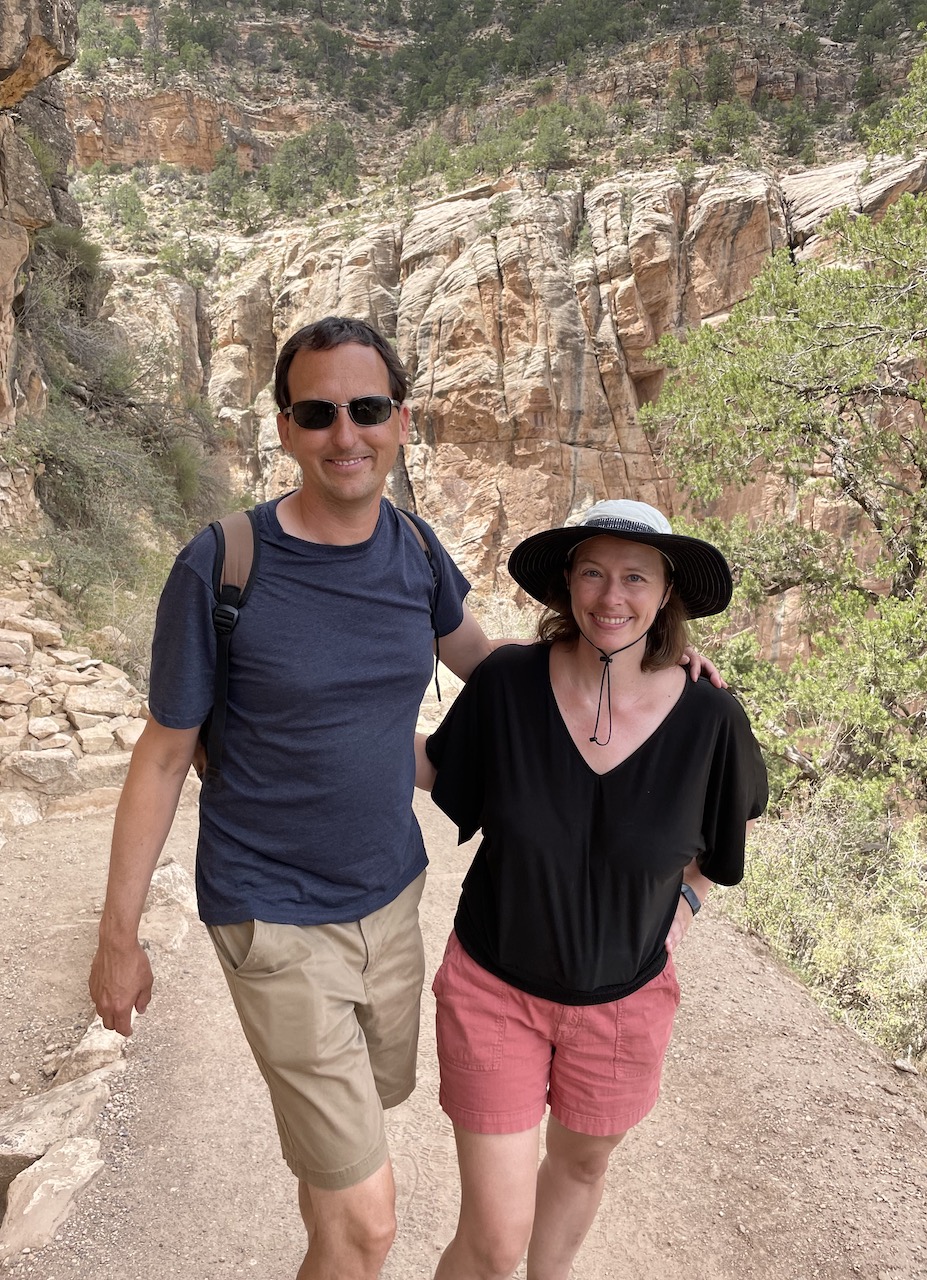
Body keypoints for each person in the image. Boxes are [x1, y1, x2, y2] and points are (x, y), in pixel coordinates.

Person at [88, 313, 722, 1280]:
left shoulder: (415, 552)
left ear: (402, 420)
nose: (346, 433)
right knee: (370, 1222)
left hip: (392, 902)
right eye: (318, 411)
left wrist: (639, 666)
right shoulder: (221, 565)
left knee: (351, 1154)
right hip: (272, 913)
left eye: (368, 407)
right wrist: (118, 936)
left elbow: (492, 667)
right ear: (287, 427)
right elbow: (167, 753)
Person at [415, 499, 768, 1280]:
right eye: (593, 572)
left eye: (636, 576)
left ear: (666, 590)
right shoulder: (509, 683)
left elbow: (722, 843)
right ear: (568, 585)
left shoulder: (711, 718)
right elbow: (441, 766)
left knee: (579, 1169)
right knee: (495, 1239)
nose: (613, 596)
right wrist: (319, 724)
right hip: (493, 990)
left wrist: (685, 910)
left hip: (624, 1006)